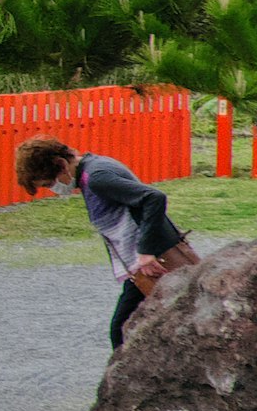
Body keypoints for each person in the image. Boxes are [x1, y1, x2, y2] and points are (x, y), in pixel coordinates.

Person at [14, 133, 198, 347]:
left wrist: (146, 252)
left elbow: (153, 197)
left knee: (122, 329)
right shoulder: (91, 171)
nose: (54, 189)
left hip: (153, 261)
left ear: (61, 164)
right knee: (131, 327)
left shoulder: (97, 177)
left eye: (49, 183)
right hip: (140, 266)